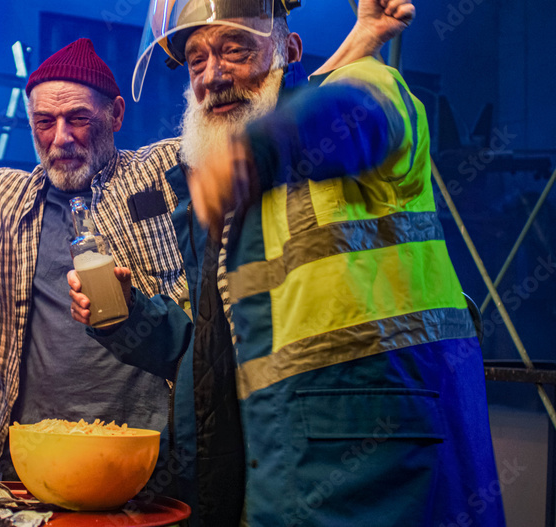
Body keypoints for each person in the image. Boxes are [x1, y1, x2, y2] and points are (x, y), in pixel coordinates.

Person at [0, 19, 401, 525]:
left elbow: (252, 112)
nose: (61, 136)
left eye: (79, 118)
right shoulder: (2, 198)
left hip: (149, 461)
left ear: (117, 114)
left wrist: (359, 42)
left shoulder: (164, 171)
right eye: (45, 122)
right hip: (28, 468)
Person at [122, 0, 505, 525]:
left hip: (390, 473)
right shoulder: (227, 202)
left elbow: (350, 114)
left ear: (288, 51)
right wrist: (126, 318)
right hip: (283, 476)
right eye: (196, 60)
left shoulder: (365, 93)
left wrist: (258, 149)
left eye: (235, 49)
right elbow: (209, 358)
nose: (213, 75)